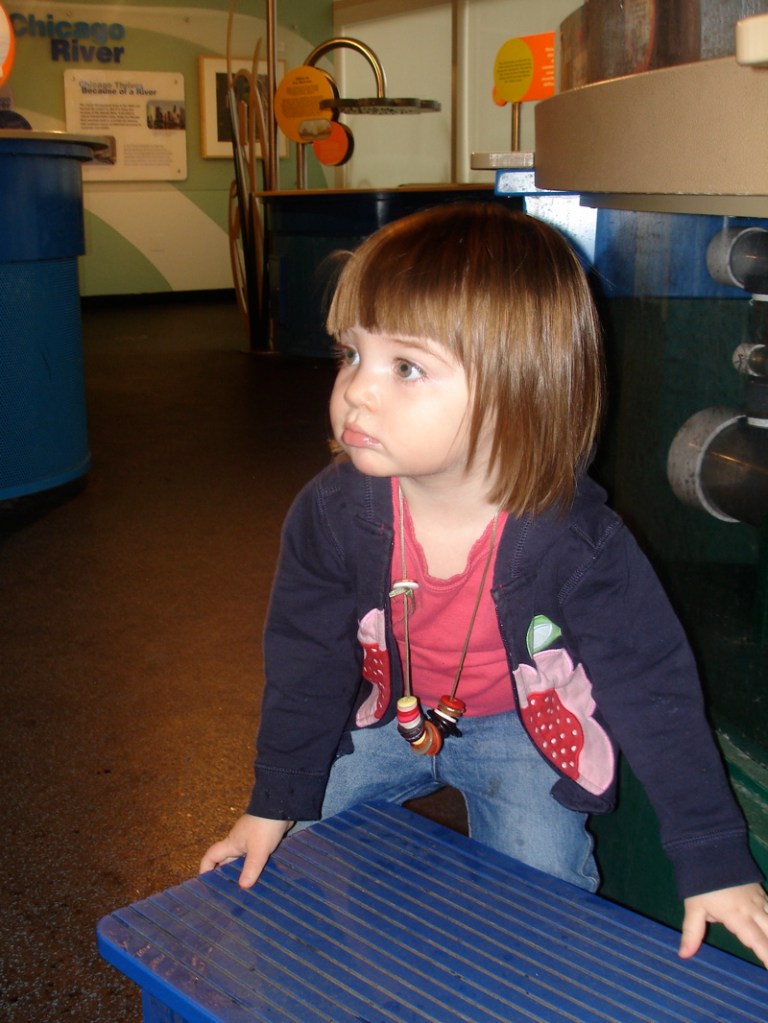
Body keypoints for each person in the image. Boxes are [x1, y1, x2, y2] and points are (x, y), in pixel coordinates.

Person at [201, 202, 768, 967]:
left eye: (406, 367)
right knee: (286, 843)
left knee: (547, 885)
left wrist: (714, 858)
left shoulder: (577, 540)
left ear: (517, 392)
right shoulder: (332, 513)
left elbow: (653, 686)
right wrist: (273, 800)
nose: (357, 390)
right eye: (351, 353)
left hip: (514, 729)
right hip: (388, 713)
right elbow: (306, 661)